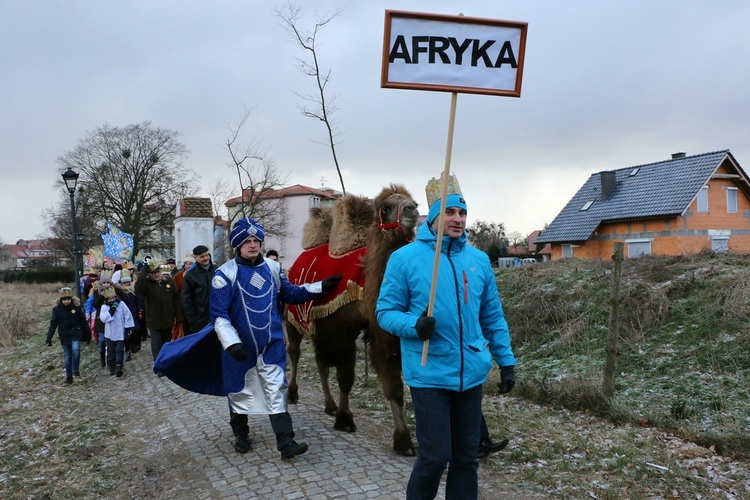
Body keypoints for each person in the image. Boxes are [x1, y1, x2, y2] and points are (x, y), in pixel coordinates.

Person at [376, 174, 517, 499]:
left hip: (471, 374)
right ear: (434, 217)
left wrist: (506, 359)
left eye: (462, 213)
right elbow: (385, 312)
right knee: (436, 456)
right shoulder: (405, 259)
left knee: (466, 458)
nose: (457, 219)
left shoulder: (478, 261)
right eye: (450, 213)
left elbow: (492, 316)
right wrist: (415, 325)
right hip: (429, 374)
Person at [210, 217, 341, 459]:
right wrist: (232, 343)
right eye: (247, 241)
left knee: (276, 389)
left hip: (271, 344)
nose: (252, 245)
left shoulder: (272, 269)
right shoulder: (224, 274)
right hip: (239, 347)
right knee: (240, 390)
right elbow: (219, 315)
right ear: (238, 245)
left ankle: (286, 442)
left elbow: (290, 292)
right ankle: (240, 433)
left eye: (256, 240)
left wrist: (320, 287)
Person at [135, 259, 183, 370]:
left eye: (158, 272)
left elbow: (176, 299)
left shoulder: (169, 281)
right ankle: (159, 364)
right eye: (153, 273)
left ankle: (167, 362)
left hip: (168, 318)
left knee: (166, 343)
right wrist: (144, 271)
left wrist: (179, 316)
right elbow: (138, 288)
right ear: (149, 274)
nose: (156, 275)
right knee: (156, 344)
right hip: (154, 320)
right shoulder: (147, 284)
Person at [46, 286, 91, 384]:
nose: (66, 301)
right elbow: (53, 324)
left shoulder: (76, 308)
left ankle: (75, 369)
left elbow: (83, 321)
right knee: (67, 356)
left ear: (71, 299)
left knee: (76, 350)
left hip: (76, 332)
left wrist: (88, 333)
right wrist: (49, 338)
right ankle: (69, 376)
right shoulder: (56, 310)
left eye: (68, 299)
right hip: (64, 334)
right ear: (61, 300)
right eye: (64, 300)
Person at [181, 245, 217, 335]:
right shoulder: (191, 275)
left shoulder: (217, 270)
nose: (205, 258)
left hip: (218, 317)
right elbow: (186, 300)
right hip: (200, 320)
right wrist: (193, 320)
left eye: (207, 255)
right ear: (196, 258)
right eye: (202, 256)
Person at [99, 286, 135, 377]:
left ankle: (119, 365)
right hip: (110, 333)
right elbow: (104, 318)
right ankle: (112, 366)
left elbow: (128, 315)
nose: (111, 300)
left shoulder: (121, 304)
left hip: (120, 331)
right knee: (111, 351)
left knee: (119, 349)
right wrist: (111, 310)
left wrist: (127, 327)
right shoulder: (104, 307)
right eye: (109, 298)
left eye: (113, 298)